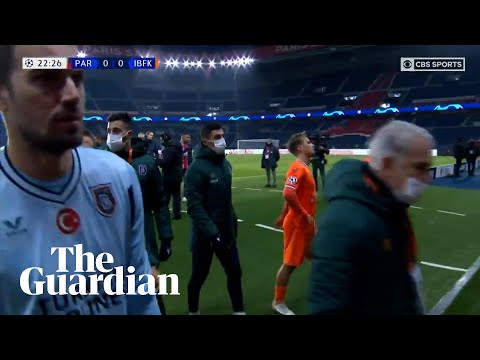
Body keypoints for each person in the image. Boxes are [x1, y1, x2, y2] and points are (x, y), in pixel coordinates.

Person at [0, 45, 160, 315]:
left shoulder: (118, 177)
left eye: (77, 78)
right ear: (3, 95)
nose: (73, 95)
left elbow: (141, 302)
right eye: (47, 78)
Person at [308, 120, 433, 315]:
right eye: (419, 168)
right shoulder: (343, 224)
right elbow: (327, 306)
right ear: (387, 164)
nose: (426, 179)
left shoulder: (390, 205)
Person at [184, 123, 245, 315]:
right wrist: (212, 233)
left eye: (222, 135)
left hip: (226, 233)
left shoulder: (225, 164)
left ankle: (239, 310)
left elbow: (226, 201)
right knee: (199, 276)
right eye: (217, 136)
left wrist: (232, 222)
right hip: (205, 236)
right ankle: (193, 310)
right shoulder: (195, 169)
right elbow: (194, 206)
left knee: (235, 272)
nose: (222, 140)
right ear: (205, 141)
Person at [272, 132, 316, 315]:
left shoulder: (305, 167)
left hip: (306, 223)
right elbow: (288, 193)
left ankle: (323, 290)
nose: (312, 144)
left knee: (319, 256)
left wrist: (283, 215)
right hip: (299, 223)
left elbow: (293, 196)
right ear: (300, 148)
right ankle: (278, 301)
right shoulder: (298, 168)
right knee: (289, 264)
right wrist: (303, 213)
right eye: (308, 142)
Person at [157, 132, 183, 220]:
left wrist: (158, 161)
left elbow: (165, 163)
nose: (160, 142)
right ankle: (176, 214)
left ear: (165, 139)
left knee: (166, 195)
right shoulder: (177, 147)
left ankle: (164, 213)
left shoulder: (169, 149)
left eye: (161, 140)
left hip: (169, 175)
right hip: (177, 174)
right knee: (176, 195)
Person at [180, 133, 193, 201]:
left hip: (187, 166)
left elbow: (190, 158)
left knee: (186, 181)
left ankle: (185, 195)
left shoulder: (189, 146)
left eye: (189, 137)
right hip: (180, 166)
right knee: (178, 181)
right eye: (187, 137)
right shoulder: (180, 146)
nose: (189, 139)